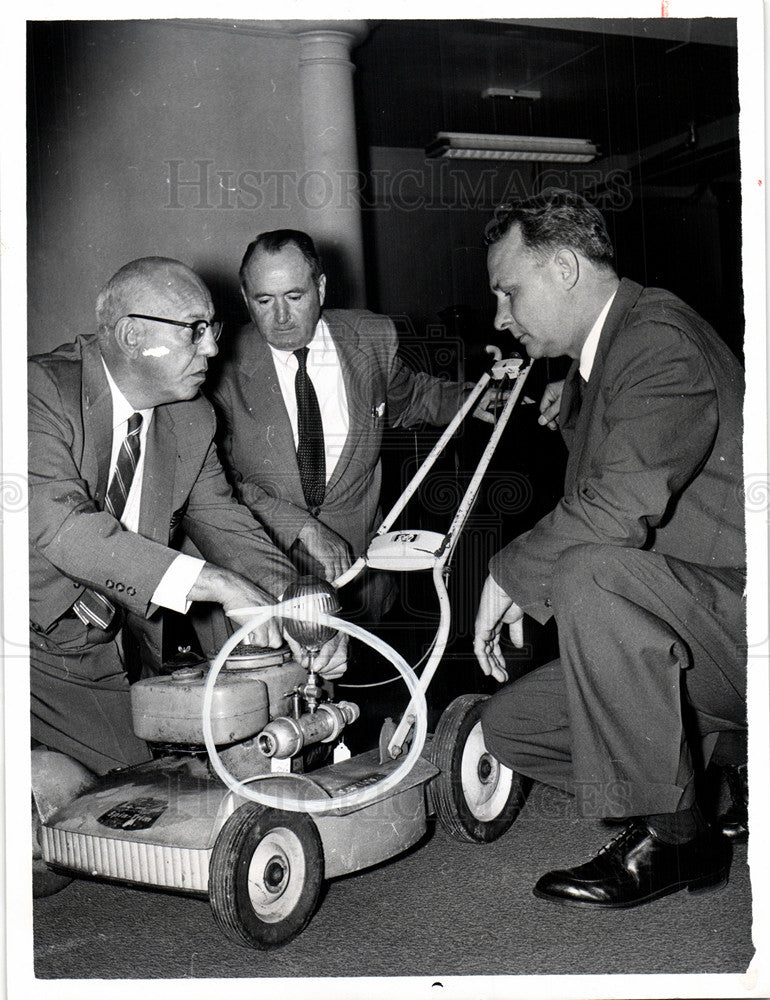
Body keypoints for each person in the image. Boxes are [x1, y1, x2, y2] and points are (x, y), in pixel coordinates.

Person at [473, 189, 746, 909]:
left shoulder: (657, 340)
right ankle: (720, 774)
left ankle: (680, 835)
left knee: (589, 571)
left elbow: (619, 509)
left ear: (564, 267)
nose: (501, 318)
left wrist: (508, 575)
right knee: (509, 728)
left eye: (510, 292)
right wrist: (572, 391)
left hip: (746, 624)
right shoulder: (609, 355)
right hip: (706, 635)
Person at [29, 257, 344, 777]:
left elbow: (226, 522)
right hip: (19, 633)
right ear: (131, 334)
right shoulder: (34, 391)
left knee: (135, 792)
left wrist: (300, 611)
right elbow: (62, 527)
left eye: (213, 328)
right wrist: (219, 585)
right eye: (195, 331)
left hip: (90, 647)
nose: (214, 348)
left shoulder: (191, 417)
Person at [210, 229, 490, 621]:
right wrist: (303, 527)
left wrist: (478, 397)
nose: (281, 317)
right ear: (245, 298)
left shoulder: (372, 338)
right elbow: (217, 480)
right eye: (264, 300)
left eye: (295, 296)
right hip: (264, 582)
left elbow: (410, 398)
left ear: (321, 288)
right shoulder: (219, 367)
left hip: (360, 584)